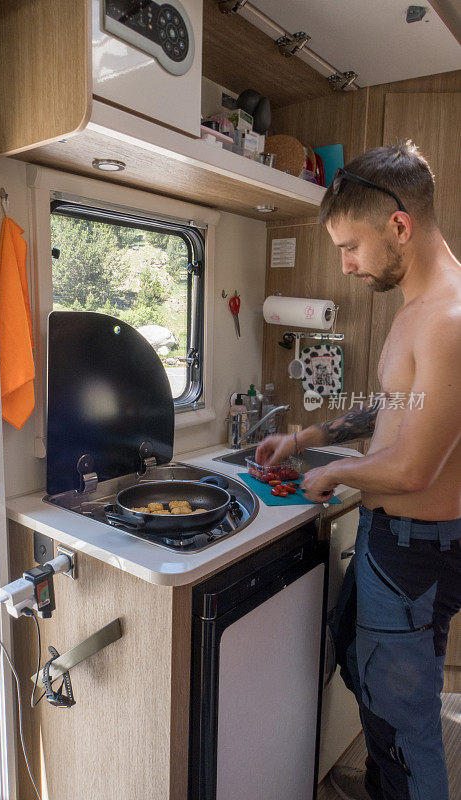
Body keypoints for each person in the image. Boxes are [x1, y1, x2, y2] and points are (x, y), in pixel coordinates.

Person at [256, 142, 461, 800]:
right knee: (374, 691)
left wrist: (334, 476)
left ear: (398, 226)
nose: (343, 266)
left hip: (414, 554)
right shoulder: (419, 308)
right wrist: (310, 436)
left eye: (349, 247)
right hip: (395, 546)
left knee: (404, 732)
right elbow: (399, 405)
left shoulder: (450, 321)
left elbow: (410, 470)